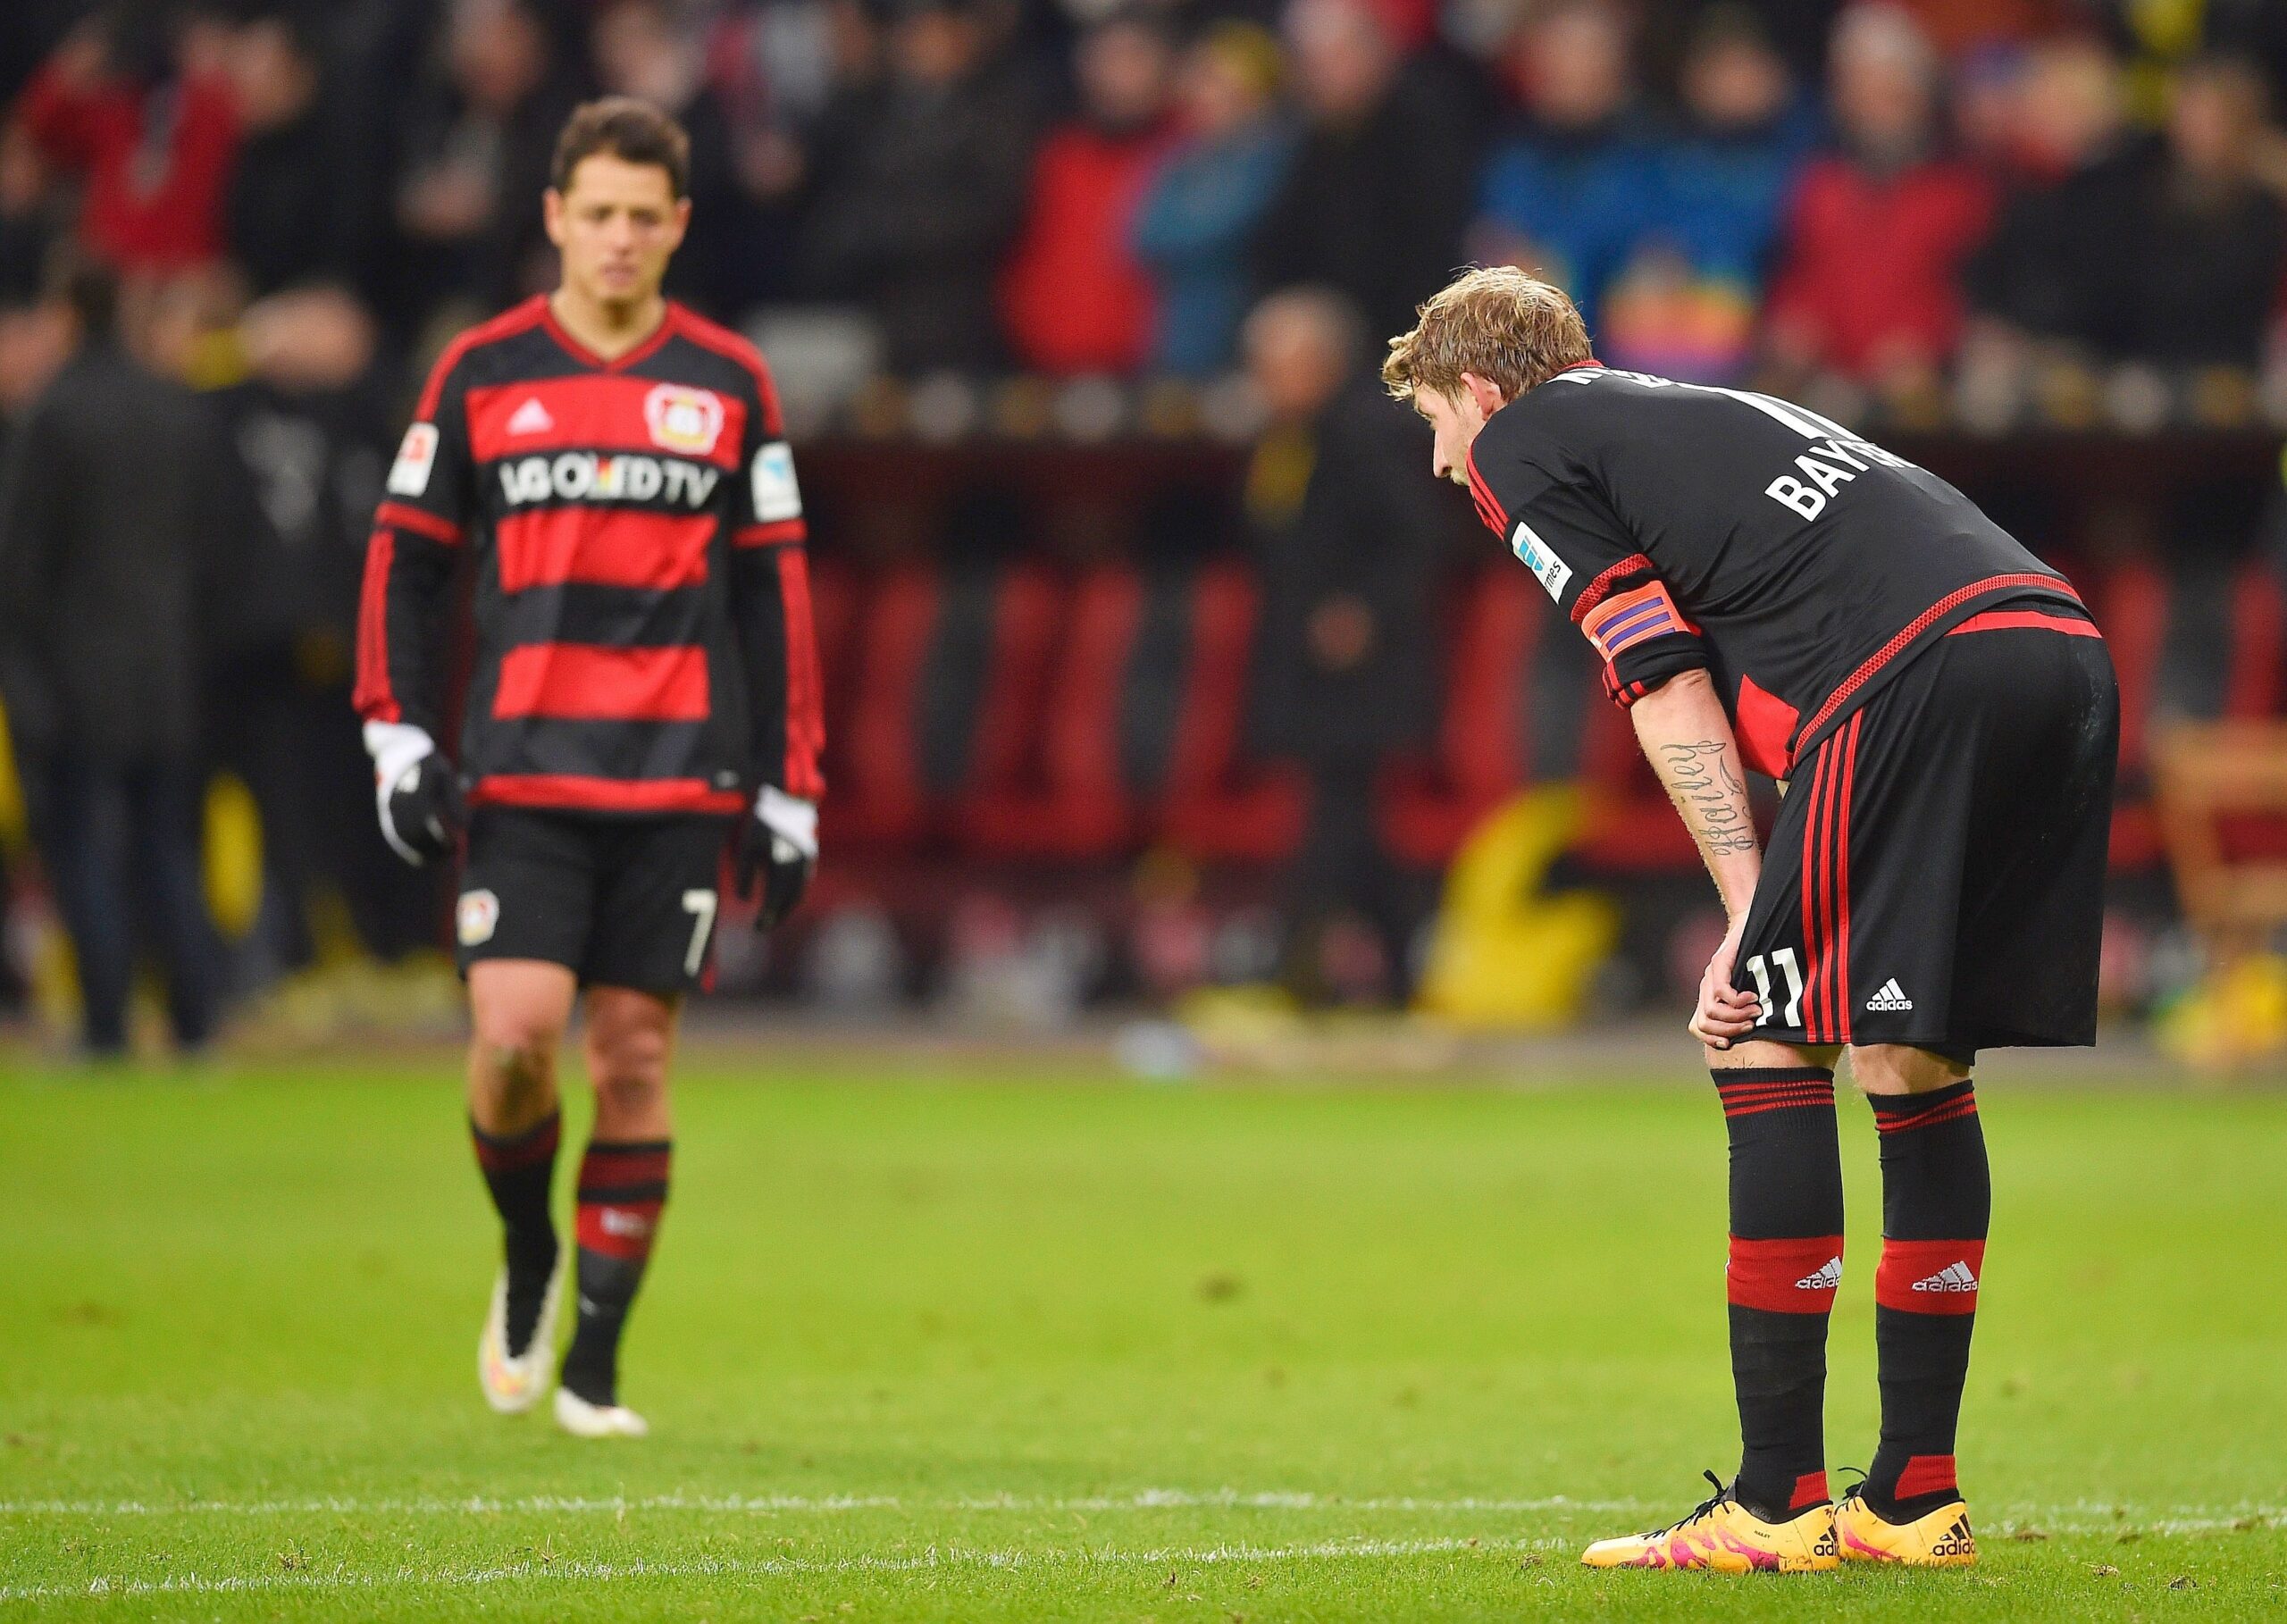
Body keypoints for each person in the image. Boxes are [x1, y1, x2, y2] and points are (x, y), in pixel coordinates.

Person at [1384, 267, 2116, 1570]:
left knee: (1761, 1032)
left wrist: (1745, 912)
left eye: (1438, 422)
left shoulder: (1523, 441)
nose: (1450, 466)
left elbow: (1660, 679)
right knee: (1909, 1053)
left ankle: (1775, 1502)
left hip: (1915, 667)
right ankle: (1911, 1498)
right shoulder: (1690, 415)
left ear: (1483, 389)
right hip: (2053, 642)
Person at [353, 98, 825, 1438]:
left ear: (678, 225)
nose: (620, 237)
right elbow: (407, 557)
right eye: (597, 213)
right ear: (555, 217)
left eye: (644, 216)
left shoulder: (732, 383)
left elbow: (775, 598)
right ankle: (526, 1247)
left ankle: (598, 1369)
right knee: (511, 1044)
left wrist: (788, 788)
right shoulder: (482, 370)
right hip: (525, 770)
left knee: (630, 1053)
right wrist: (397, 735)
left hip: (678, 779)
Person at [0, 256, 225, 1057]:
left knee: (82, 847)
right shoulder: (176, 407)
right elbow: (208, 547)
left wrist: (26, 674)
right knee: (168, 847)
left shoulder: (53, 415)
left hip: (75, 674)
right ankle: (197, 1018)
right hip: (169, 669)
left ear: (65, 315)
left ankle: (106, 1022)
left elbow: (22, 561)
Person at [1244, 287, 1443, 1004]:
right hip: (1307, 665)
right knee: (1351, 825)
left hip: (1362, 670)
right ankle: (1394, 976)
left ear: (1322, 362)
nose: (1263, 381)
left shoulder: (1366, 432)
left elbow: (1415, 542)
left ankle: (1293, 968)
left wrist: (1361, 608)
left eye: (1276, 365)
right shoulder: (1290, 437)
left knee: (1339, 820)